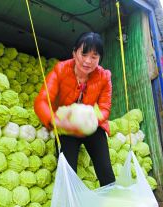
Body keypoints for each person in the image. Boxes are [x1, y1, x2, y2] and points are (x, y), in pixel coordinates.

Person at [34, 32, 115, 187]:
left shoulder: (104, 76)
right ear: (74, 52)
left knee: (106, 171)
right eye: (83, 54)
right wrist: (55, 121)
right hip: (66, 127)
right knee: (67, 173)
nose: (87, 61)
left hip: (93, 126)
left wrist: (89, 120)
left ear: (99, 59)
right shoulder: (60, 70)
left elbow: (105, 107)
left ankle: (111, 204)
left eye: (94, 57)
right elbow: (42, 101)